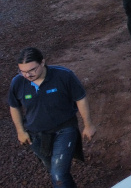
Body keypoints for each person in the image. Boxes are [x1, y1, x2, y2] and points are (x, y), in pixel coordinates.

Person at [8, 47, 96, 188]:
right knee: (54, 171)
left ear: (43, 62)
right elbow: (14, 106)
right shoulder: (17, 82)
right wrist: (20, 131)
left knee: (58, 174)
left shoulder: (64, 76)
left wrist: (88, 124)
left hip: (65, 129)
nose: (27, 75)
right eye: (22, 71)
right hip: (36, 135)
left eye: (32, 70)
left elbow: (80, 98)